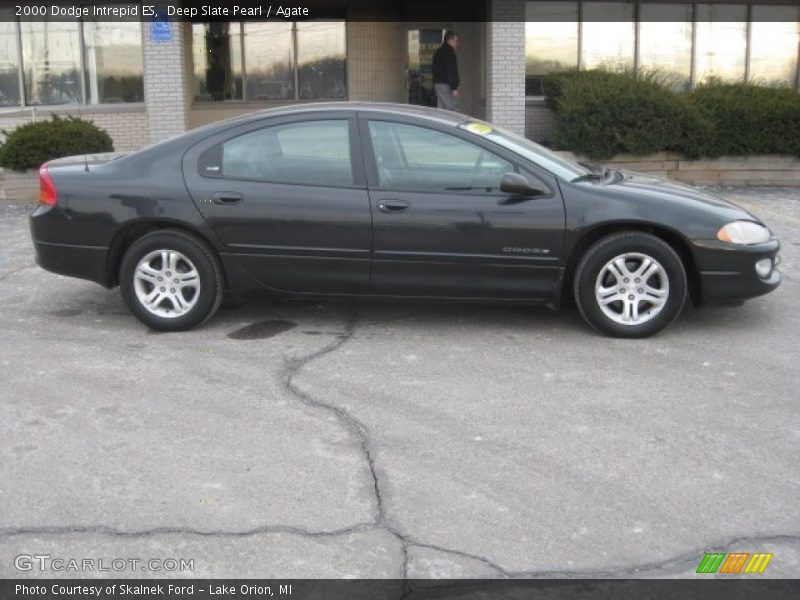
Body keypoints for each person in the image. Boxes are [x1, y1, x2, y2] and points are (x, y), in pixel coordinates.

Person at [432, 31, 460, 111]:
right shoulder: (449, 52)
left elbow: (434, 69)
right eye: (456, 41)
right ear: (450, 40)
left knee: (441, 108)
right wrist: (454, 87)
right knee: (451, 107)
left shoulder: (438, 52)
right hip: (445, 84)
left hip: (438, 84)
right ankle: (453, 123)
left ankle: (440, 123)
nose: (457, 44)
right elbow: (451, 70)